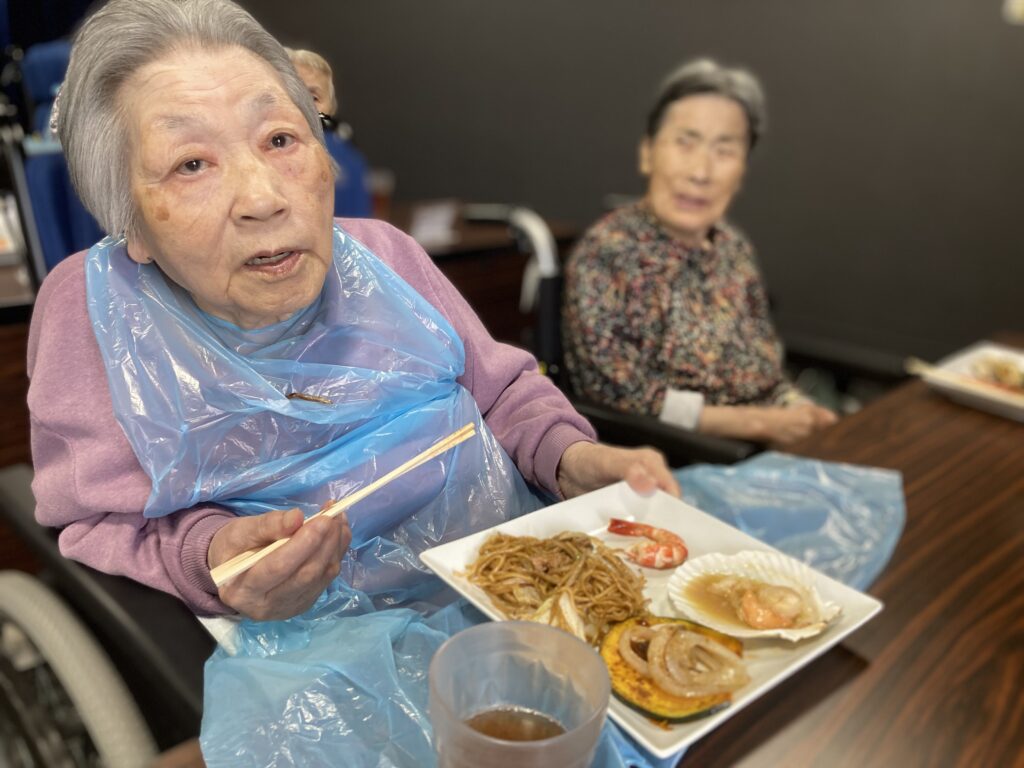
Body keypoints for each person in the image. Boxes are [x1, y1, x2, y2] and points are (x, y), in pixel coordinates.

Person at [27, 0, 675, 763]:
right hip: (319, 668)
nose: (265, 198)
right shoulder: (94, 314)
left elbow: (502, 396)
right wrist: (213, 555)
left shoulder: (386, 256)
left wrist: (571, 459)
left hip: (522, 592)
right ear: (129, 220)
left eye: (280, 140)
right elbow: (98, 521)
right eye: (191, 163)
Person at [563, 59, 837, 446]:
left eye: (724, 151)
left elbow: (765, 370)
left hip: (769, 445)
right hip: (681, 457)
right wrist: (753, 424)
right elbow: (618, 393)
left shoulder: (733, 247)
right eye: (685, 143)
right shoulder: (607, 254)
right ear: (647, 153)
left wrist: (797, 408)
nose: (701, 172)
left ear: (742, 171)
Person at [285, 46, 373, 218]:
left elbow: (360, 224)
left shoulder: (348, 158)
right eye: (293, 93)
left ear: (331, 108)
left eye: (314, 97)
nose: (304, 105)